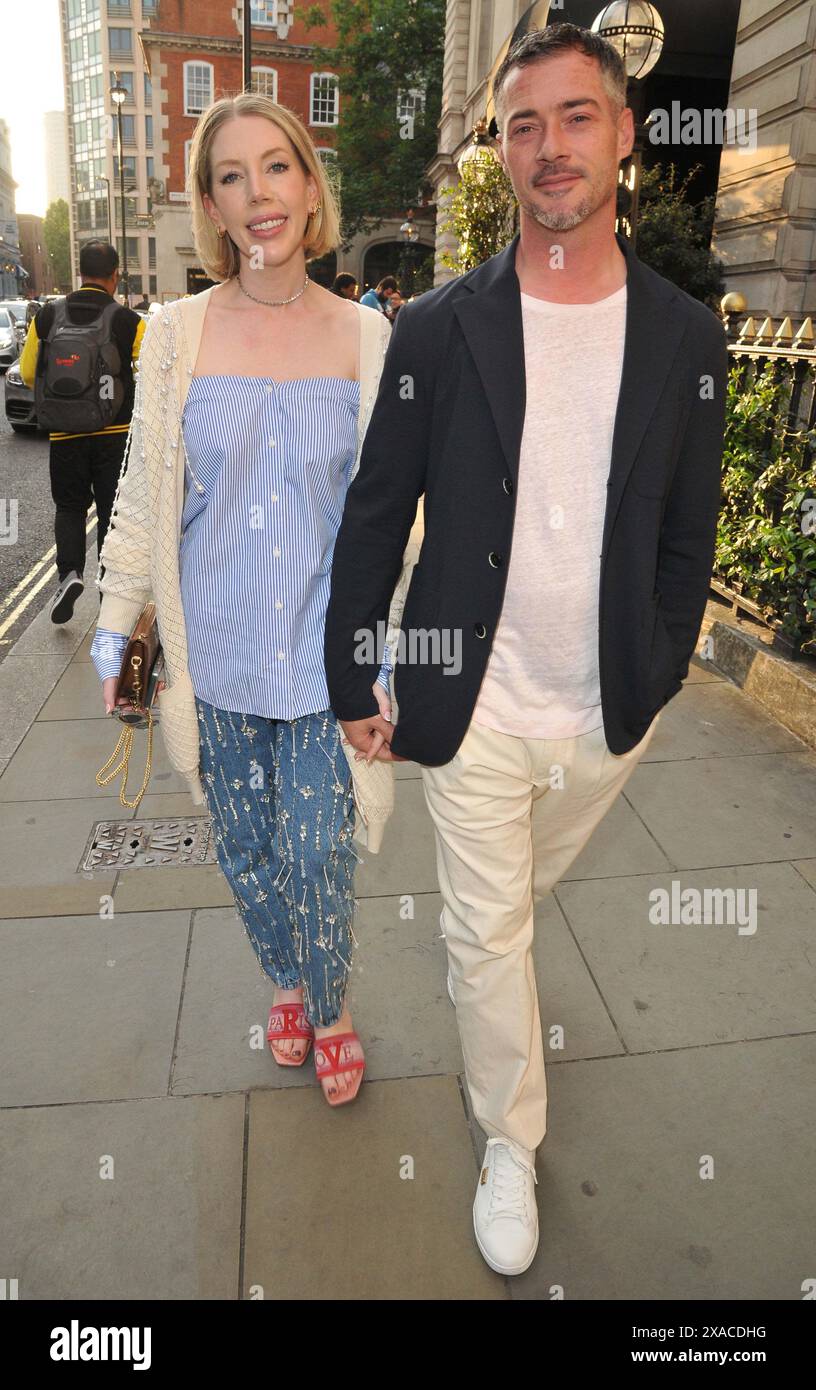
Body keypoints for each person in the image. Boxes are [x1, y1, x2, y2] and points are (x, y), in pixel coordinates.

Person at [325, 22, 728, 1270]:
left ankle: (490, 992)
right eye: (522, 124)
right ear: (500, 152)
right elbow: (377, 509)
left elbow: (687, 530)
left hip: (608, 705)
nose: (548, 146)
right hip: (475, 705)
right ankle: (512, 1137)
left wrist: (659, 666)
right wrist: (355, 673)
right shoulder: (438, 331)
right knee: (487, 934)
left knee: (507, 913)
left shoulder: (685, 336)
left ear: (624, 139)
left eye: (573, 117)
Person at [90, 91, 409, 1106]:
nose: (258, 192)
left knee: (319, 845)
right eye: (232, 175)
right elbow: (143, 493)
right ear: (212, 206)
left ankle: (330, 1004)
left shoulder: (368, 338)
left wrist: (398, 655)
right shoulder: (175, 333)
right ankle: (284, 974)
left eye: (277, 166)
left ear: (309, 188)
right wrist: (113, 630)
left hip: (324, 656)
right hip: (212, 649)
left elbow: (400, 518)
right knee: (247, 847)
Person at [19, 241, 145, 623]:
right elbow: (150, 376)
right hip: (114, 434)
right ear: (115, 276)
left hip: (65, 433)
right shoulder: (129, 321)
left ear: (79, 272)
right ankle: (108, 593)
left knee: (70, 507)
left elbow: (28, 374)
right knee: (112, 512)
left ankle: (69, 575)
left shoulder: (46, 317)